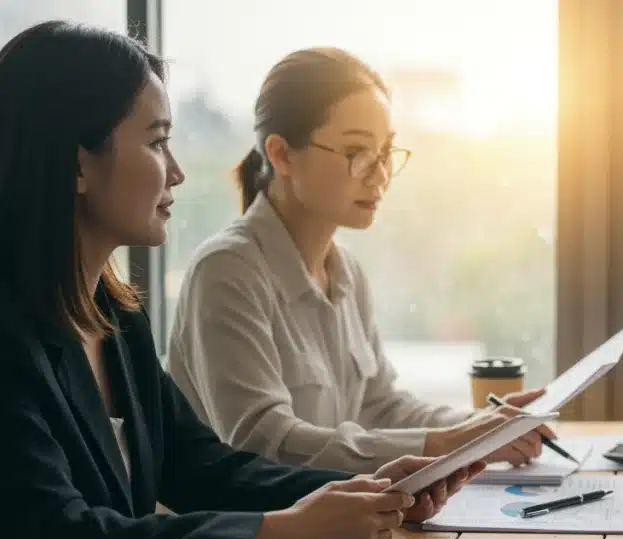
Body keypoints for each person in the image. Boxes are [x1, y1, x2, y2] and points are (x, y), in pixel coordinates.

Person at [0, 23, 483, 539]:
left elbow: (199, 464)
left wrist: (369, 494)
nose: (175, 172)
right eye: (156, 142)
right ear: (77, 163)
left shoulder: (115, 320)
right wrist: (282, 534)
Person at [167, 48, 552, 474]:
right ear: (281, 155)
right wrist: (451, 443)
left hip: (333, 524)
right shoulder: (226, 271)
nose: (380, 174)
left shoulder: (346, 272)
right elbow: (264, 443)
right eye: (357, 152)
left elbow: (380, 406)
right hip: (245, 535)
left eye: (386, 152)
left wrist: (480, 426)